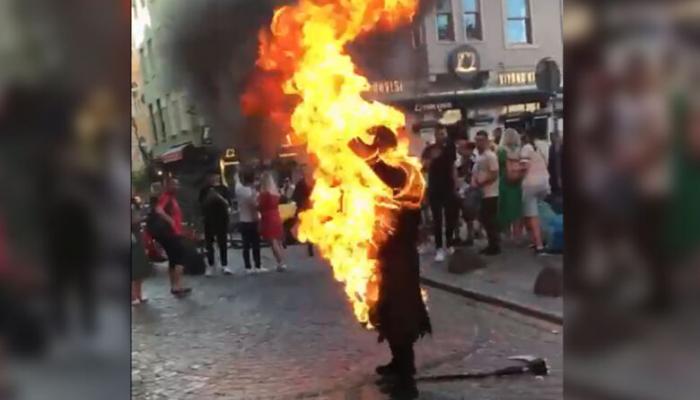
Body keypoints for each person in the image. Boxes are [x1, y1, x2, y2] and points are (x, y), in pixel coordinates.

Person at [349, 126, 431, 399]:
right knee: (388, 311)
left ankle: (407, 382)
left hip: (401, 256)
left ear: (384, 146)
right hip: (391, 252)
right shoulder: (399, 169)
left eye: (377, 146)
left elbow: (388, 175)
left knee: (401, 315)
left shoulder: (404, 170)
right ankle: (398, 365)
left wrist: (366, 155)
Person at [421, 125, 458, 262]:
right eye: (439, 134)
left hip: (448, 187)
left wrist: (456, 185)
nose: (441, 136)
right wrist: (431, 159)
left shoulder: (450, 148)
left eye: (443, 133)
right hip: (434, 187)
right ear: (435, 135)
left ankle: (449, 243)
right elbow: (423, 167)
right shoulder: (429, 149)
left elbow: (453, 166)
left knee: (450, 218)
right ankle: (438, 248)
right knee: (437, 219)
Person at [153, 178, 192, 296]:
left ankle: (174, 286)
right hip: (172, 234)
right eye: (175, 184)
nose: (178, 187)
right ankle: (177, 286)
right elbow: (158, 210)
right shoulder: (166, 197)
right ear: (169, 186)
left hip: (172, 233)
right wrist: (170, 220)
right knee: (180, 259)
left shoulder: (171, 198)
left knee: (173, 261)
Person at [518, 130, 551, 255]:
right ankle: (539, 239)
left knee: (532, 215)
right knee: (538, 212)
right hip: (544, 182)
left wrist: (516, 171)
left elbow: (524, 167)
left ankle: (539, 245)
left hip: (531, 183)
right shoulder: (543, 146)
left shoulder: (526, 148)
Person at [473, 130, 501, 255]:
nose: (478, 143)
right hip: (483, 193)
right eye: (477, 140)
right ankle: (492, 243)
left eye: (481, 140)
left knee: (488, 219)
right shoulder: (480, 156)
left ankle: (494, 245)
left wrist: (482, 182)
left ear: (486, 141)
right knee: (485, 219)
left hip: (491, 193)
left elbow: (494, 174)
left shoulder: (490, 156)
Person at [198, 171, 232, 276]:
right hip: (209, 218)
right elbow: (201, 204)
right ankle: (211, 265)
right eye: (211, 176)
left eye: (215, 176)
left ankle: (224, 265)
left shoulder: (224, 189)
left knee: (222, 242)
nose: (213, 178)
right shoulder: (204, 190)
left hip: (222, 218)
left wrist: (218, 197)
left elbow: (228, 204)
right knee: (209, 243)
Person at [497, 128, 524, 240]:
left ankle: (507, 234)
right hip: (518, 182)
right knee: (517, 209)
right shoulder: (520, 150)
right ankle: (517, 234)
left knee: (505, 209)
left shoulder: (501, 151)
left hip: (504, 182)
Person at [235, 169, 263, 272]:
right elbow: (255, 207)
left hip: (243, 221)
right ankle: (258, 266)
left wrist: (238, 171)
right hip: (253, 221)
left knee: (245, 245)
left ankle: (248, 267)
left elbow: (236, 180)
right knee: (256, 244)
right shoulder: (252, 192)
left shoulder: (238, 189)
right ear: (252, 179)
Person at [259, 172, 288, 271]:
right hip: (276, 215)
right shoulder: (275, 193)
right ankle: (282, 261)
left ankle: (280, 262)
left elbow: (259, 206)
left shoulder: (264, 194)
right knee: (278, 240)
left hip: (267, 217)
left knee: (273, 241)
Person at [455, 138, 477, 246]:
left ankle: (470, 236)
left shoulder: (474, 161)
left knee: (469, 214)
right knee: (455, 214)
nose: (464, 151)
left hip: (469, 189)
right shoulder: (457, 162)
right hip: (458, 189)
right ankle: (457, 236)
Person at [131, 197, 151, 305]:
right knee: (133, 265)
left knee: (139, 265)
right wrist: (142, 218)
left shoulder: (134, 203)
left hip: (137, 236)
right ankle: (133, 296)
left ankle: (138, 293)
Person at [291, 166, 315, 257]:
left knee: (305, 226)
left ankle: (309, 244)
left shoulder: (300, 184)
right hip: (311, 208)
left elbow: (295, 197)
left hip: (303, 209)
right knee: (311, 227)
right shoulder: (313, 182)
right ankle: (310, 245)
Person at [548, 131, 563, 197]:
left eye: (552, 137)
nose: (551, 139)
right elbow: (551, 161)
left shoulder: (561, 147)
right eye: (550, 137)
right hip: (553, 174)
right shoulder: (551, 147)